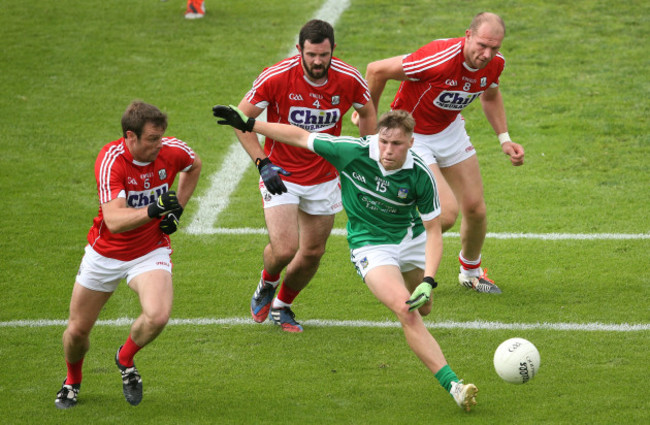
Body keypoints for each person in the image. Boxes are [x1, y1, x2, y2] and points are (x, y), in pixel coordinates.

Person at [213, 105, 479, 411]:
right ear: (377, 137)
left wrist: (429, 281)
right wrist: (249, 123)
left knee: (425, 306)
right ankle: (455, 386)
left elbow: (433, 231)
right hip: (370, 245)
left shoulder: (420, 174)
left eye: (397, 144)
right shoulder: (352, 151)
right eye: (384, 141)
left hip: (410, 238)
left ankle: (422, 294)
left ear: (411, 142)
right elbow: (300, 136)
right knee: (407, 311)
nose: (388, 150)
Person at [354, 12, 525, 294]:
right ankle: (389, 249)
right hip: (413, 133)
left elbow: (491, 95)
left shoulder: (494, 65)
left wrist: (504, 139)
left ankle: (470, 272)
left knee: (476, 208)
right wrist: (366, 118)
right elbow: (375, 70)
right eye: (482, 45)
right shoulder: (438, 58)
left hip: (450, 130)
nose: (487, 54)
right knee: (445, 215)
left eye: (494, 48)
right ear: (467, 35)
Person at [54, 101, 202, 409]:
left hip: (150, 250)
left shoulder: (171, 150)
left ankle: (125, 358)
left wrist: (177, 210)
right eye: (151, 139)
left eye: (161, 137)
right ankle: (72, 380)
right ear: (130, 137)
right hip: (105, 254)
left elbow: (194, 165)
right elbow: (115, 221)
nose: (159, 145)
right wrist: (153, 209)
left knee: (158, 315)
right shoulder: (112, 161)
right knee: (77, 331)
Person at [232, 19, 376, 332]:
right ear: (299, 50)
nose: (317, 61)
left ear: (333, 50)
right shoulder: (277, 76)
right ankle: (267, 282)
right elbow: (240, 120)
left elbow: (367, 111)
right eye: (311, 54)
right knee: (284, 249)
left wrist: (364, 156)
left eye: (323, 55)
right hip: (280, 174)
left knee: (312, 252)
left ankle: (283, 306)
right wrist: (262, 163)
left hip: (324, 178)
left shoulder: (349, 78)